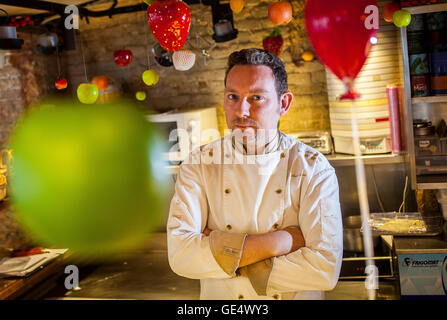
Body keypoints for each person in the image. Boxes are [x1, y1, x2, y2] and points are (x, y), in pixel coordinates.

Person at [166, 48, 343, 300]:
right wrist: (281, 242)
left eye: (256, 98)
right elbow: (181, 256)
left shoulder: (313, 168)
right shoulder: (199, 164)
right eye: (233, 96)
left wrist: (220, 252)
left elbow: (324, 269)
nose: (241, 111)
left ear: (284, 103)